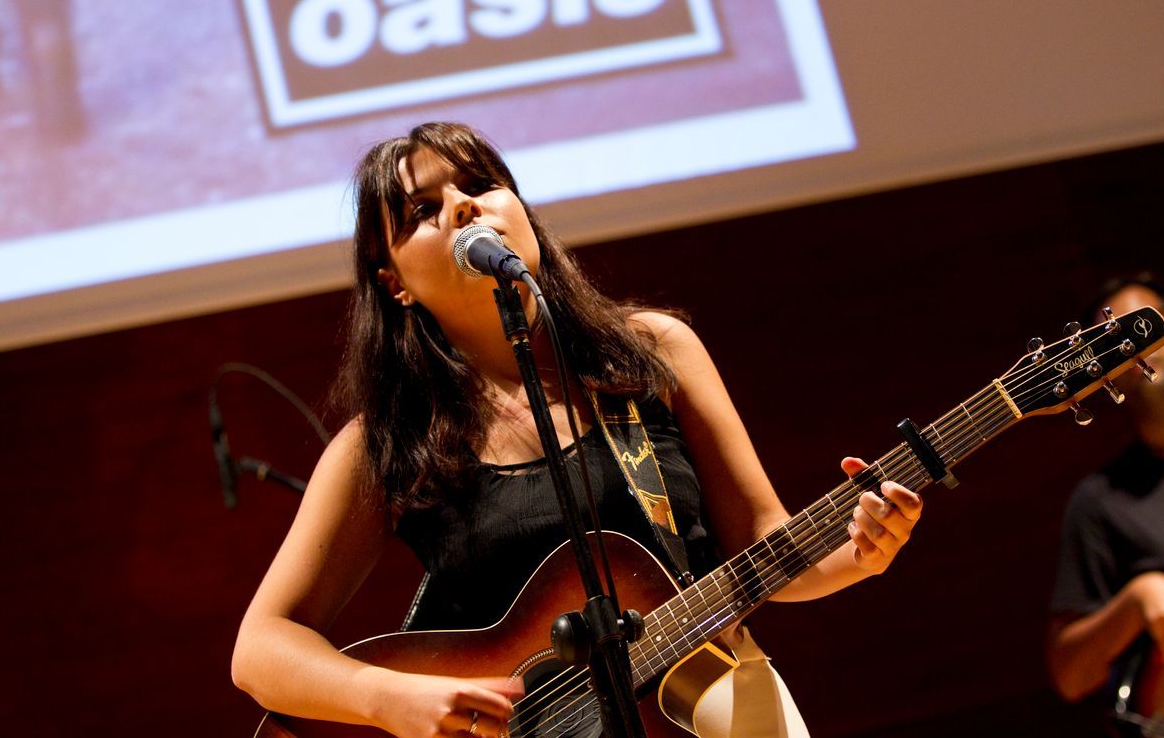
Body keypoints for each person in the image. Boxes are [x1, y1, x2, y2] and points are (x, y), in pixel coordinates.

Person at [231, 122, 924, 737]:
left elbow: (763, 548)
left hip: (706, 703)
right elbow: (260, 648)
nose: (464, 207)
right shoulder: (385, 443)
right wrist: (386, 699)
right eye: (422, 211)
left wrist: (861, 554)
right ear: (394, 284)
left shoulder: (653, 351)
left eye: (480, 184)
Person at [1047, 273, 1164, 709]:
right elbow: (1070, 677)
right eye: (1111, 341)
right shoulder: (1100, 503)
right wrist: (1137, 597)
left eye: (1142, 325)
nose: (1131, 345)